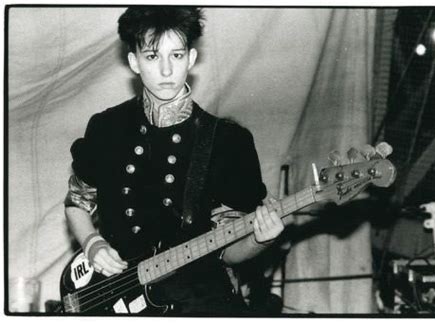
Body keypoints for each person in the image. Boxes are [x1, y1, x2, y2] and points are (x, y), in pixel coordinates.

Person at [64, 6, 284, 315]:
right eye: (153, 57)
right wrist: (91, 243)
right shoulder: (106, 128)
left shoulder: (227, 141)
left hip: (198, 301)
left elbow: (229, 252)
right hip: (114, 296)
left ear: (191, 59)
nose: (166, 71)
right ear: (134, 62)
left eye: (177, 56)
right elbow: (76, 202)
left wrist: (261, 240)